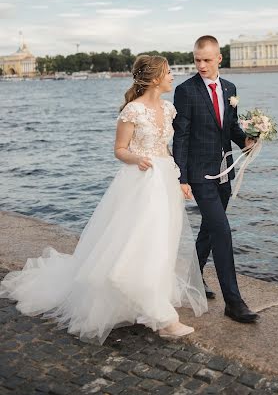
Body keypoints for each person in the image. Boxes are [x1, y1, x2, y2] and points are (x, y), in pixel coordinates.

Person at [0, 55, 207, 343]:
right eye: (169, 72)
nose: (173, 76)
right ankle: (161, 317)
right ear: (154, 78)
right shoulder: (132, 111)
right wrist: (138, 159)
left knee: (163, 241)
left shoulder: (168, 109)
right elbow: (119, 150)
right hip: (141, 181)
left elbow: (165, 147)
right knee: (142, 240)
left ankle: (146, 294)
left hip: (165, 179)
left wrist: (179, 179)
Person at [173, 36, 260, 323]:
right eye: (197, 59)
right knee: (222, 231)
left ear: (219, 59)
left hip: (224, 171)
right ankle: (233, 303)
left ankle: (191, 279)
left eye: (207, 60)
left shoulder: (229, 89)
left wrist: (246, 140)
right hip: (199, 174)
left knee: (210, 230)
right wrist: (182, 177)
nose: (201, 65)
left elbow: (230, 128)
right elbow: (181, 136)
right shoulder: (185, 91)